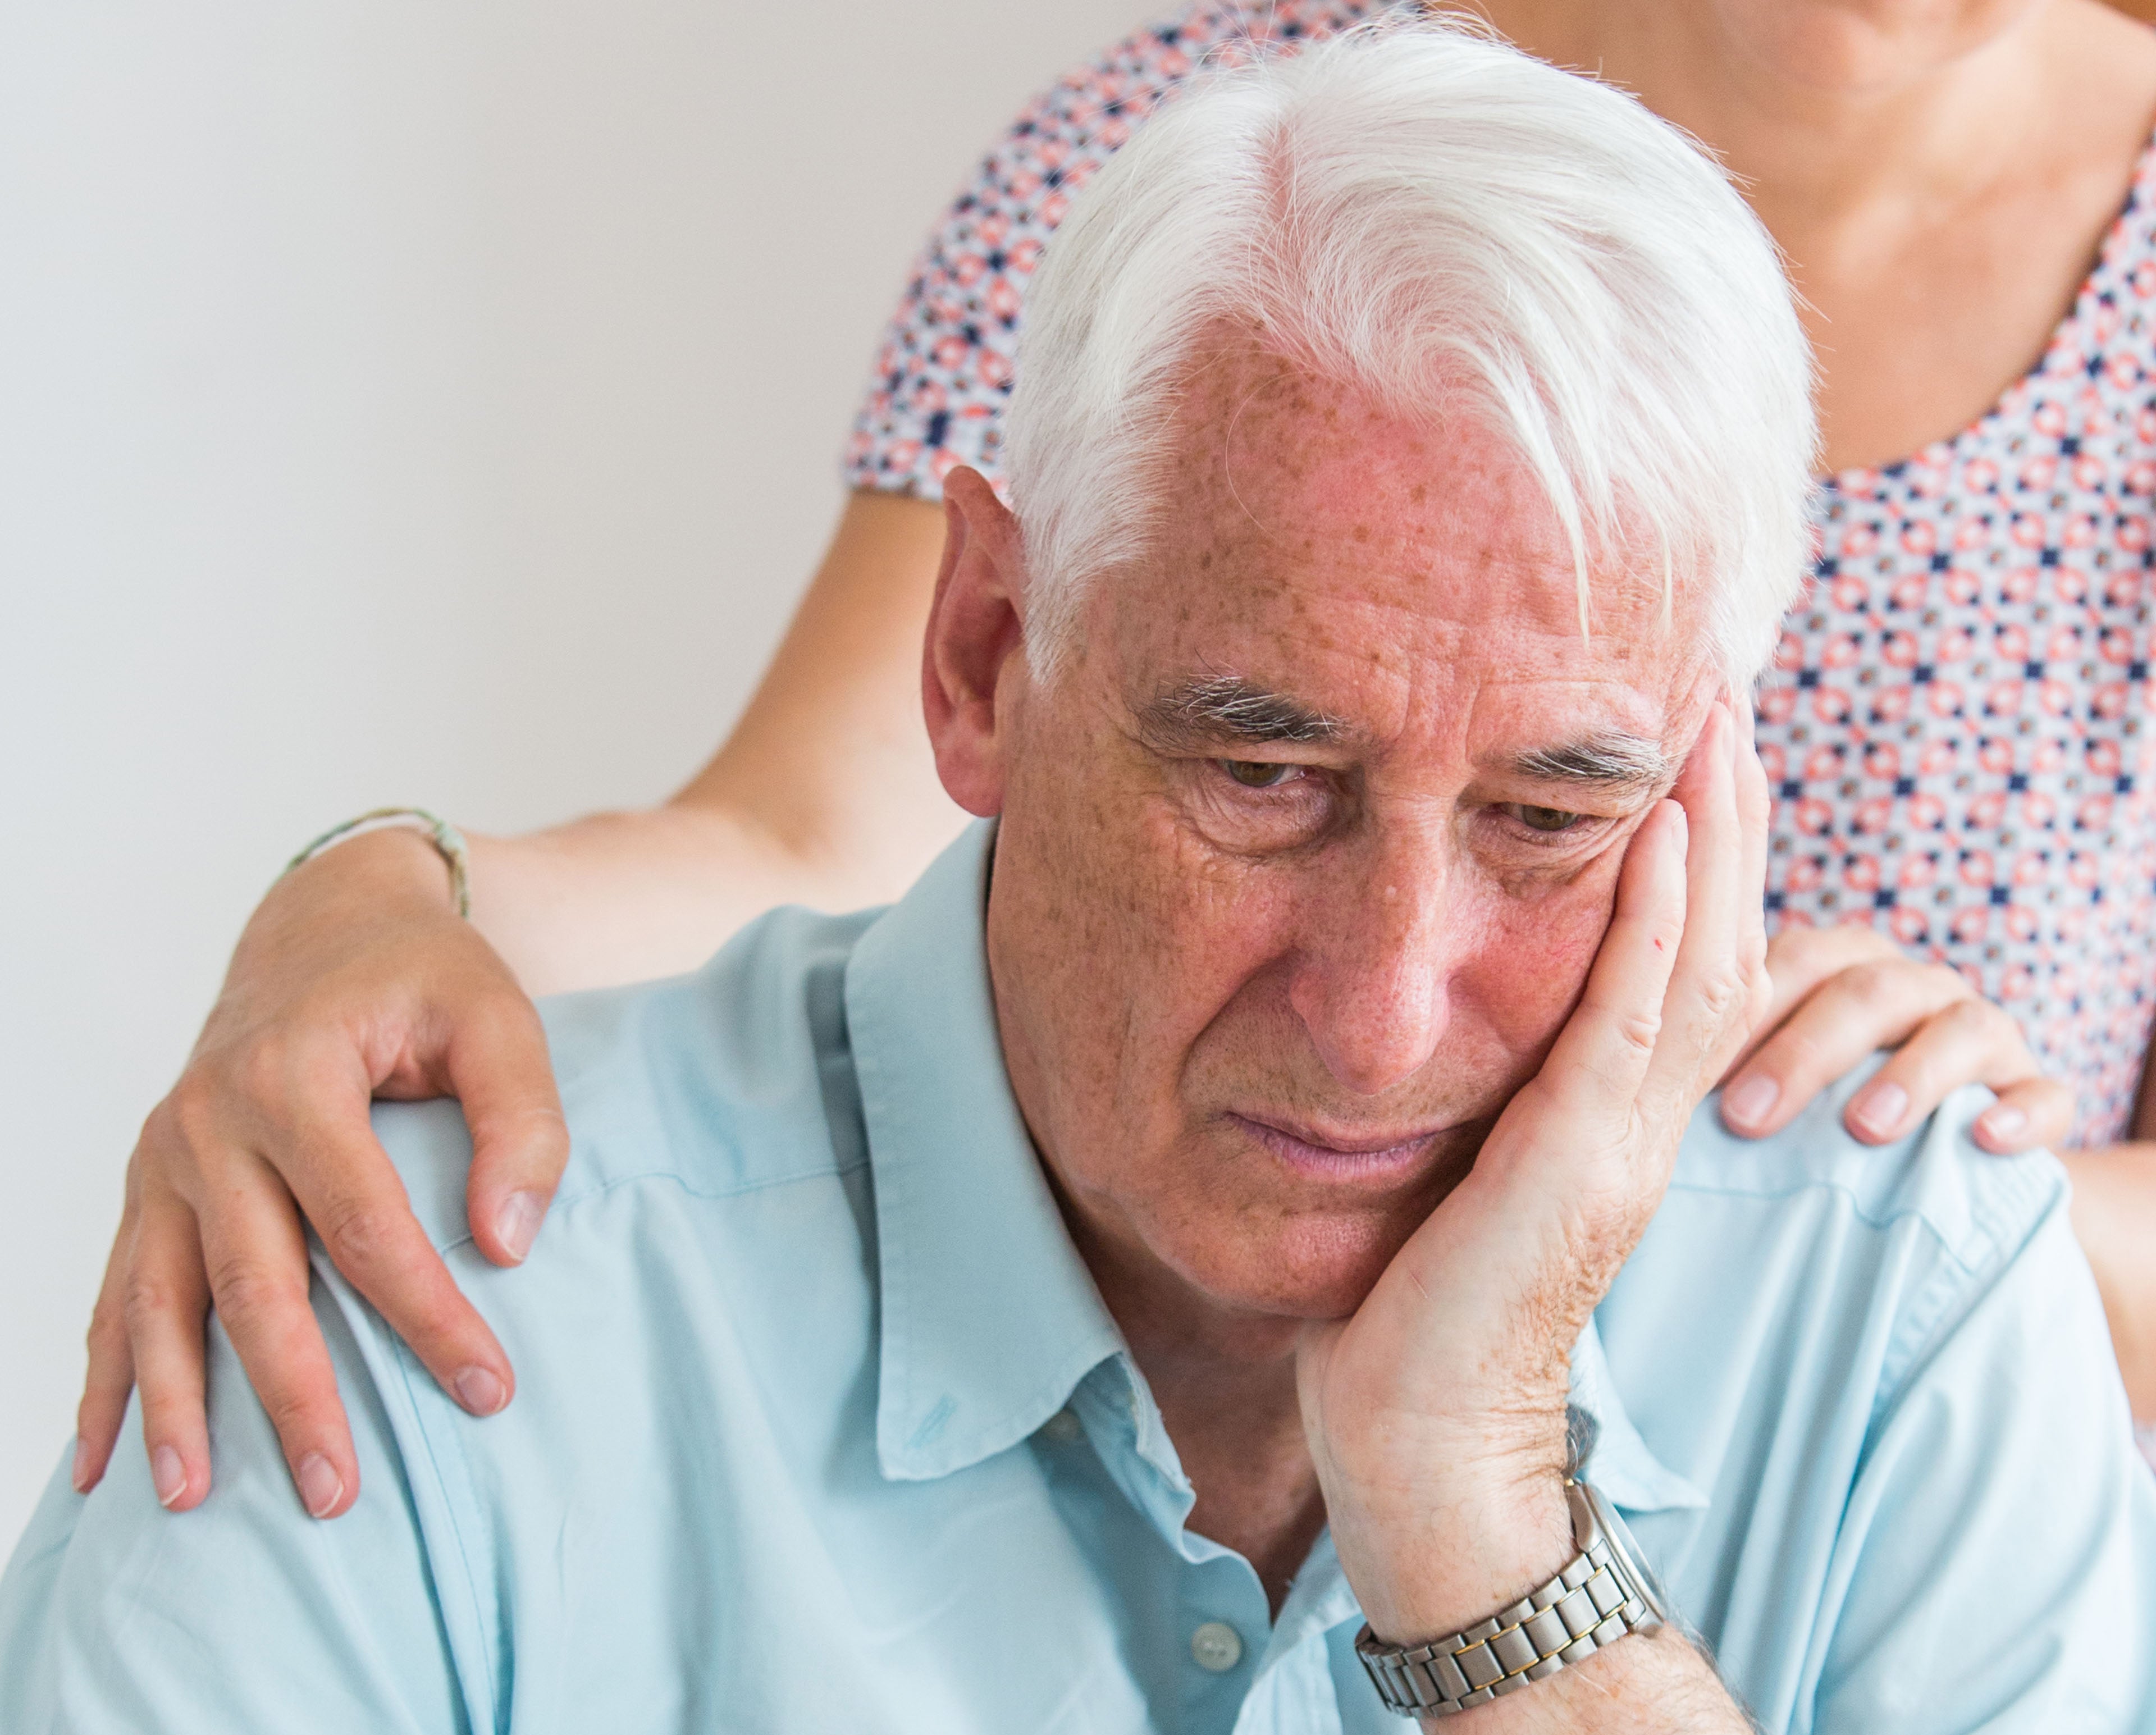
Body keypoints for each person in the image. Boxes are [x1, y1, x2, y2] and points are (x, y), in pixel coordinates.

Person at [9, 31, 2152, 1729]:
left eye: (1549, 814)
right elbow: (772, 834)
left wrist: (1496, 1532)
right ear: (985, 660)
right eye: (1264, 767)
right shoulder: (397, 1326)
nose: (1386, 1009)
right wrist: (363, 891)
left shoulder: (1920, 1311)